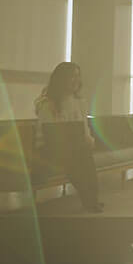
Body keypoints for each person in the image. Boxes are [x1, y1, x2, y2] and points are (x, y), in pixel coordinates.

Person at [34, 62, 102, 213]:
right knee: (78, 156)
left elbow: (83, 129)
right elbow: (48, 134)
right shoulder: (48, 105)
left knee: (83, 154)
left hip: (73, 147)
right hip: (50, 148)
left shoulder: (79, 103)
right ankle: (90, 200)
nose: (76, 80)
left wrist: (88, 140)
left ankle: (91, 199)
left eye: (78, 76)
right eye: (72, 76)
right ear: (62, 79)